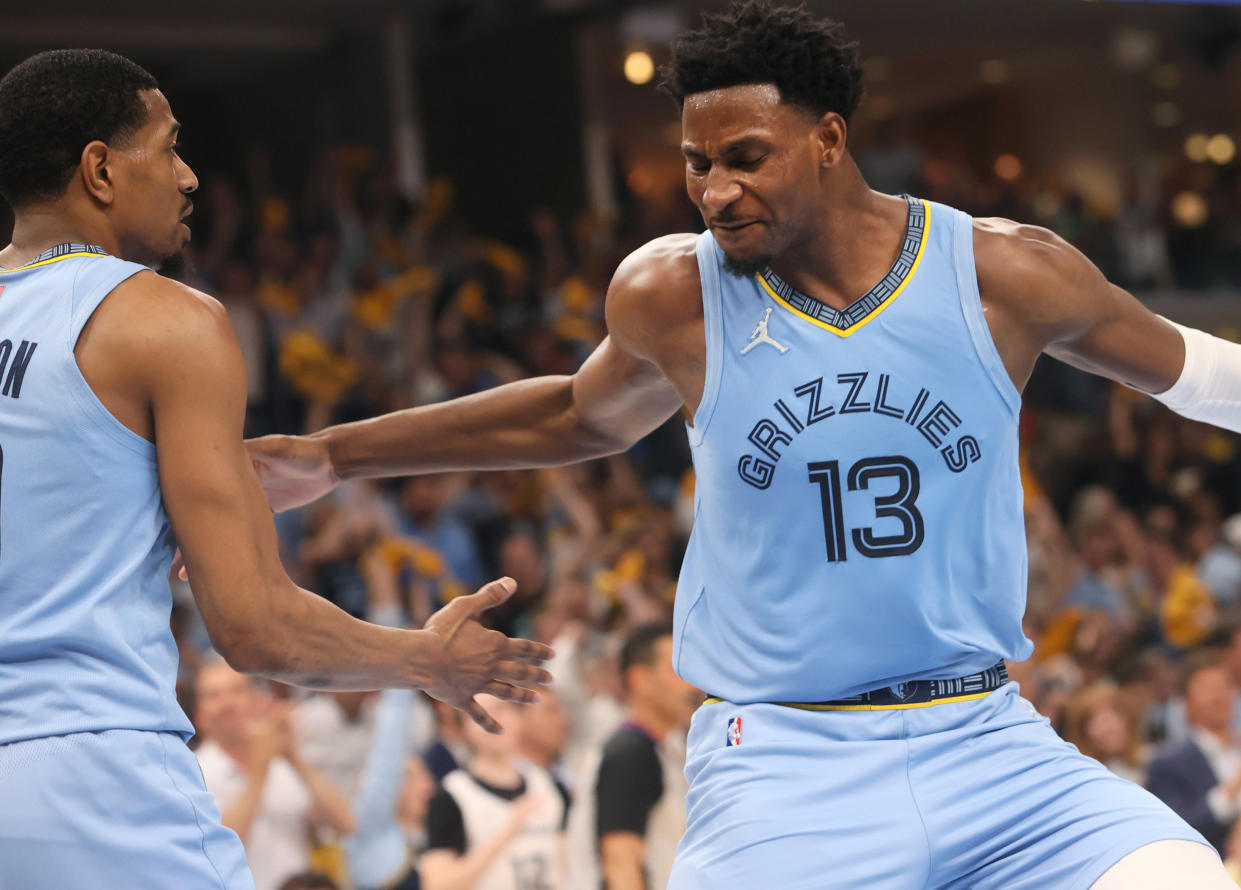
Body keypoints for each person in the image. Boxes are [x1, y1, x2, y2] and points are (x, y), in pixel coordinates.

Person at [245, 2, 1241, 886]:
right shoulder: (671, 292)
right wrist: (337, 454)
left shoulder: (1000, 273)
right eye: (696, 162)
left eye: (743, 157)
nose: (714, 190)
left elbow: (1196, 370)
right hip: (782, 759)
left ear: (827, 140)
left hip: (985, 737)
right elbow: (571, 415)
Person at [0, 49, 551, 890]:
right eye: (168, 147)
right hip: (92, 777)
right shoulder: (162, 319)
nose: (187, 177)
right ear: (99, 170)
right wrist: (425, 660)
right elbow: (257, 627)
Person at [193, 659, 356, 890]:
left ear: (255, 701)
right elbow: (218, 848)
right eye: (213, 695)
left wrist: (293, 756)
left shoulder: (283, 766)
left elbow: (346, 824)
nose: (227, 703)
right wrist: (259, 769)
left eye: (236, 690)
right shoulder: (192, 772)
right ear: (199, 716)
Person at [567, 624, 696, 890]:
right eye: (677, 670)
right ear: (640, 680)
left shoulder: (656, 749)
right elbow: (621, 864)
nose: (691, 684)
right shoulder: (630, 753)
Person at [422, 694, 569, 890]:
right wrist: (505, 834)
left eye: (501, 708)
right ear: (463, 727)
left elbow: (569, 865)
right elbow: (437, 884)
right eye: (478, 714)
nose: (491, 720)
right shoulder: (452, 796)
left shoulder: (549, 786)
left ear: (520, 717)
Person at [1146, 654, 1241, 855]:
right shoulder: (1167, 763)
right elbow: (1177, 830)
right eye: (1207, 688)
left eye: (1224, 686)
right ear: (1186, 704)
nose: (1218, 696)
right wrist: (1232, 790)